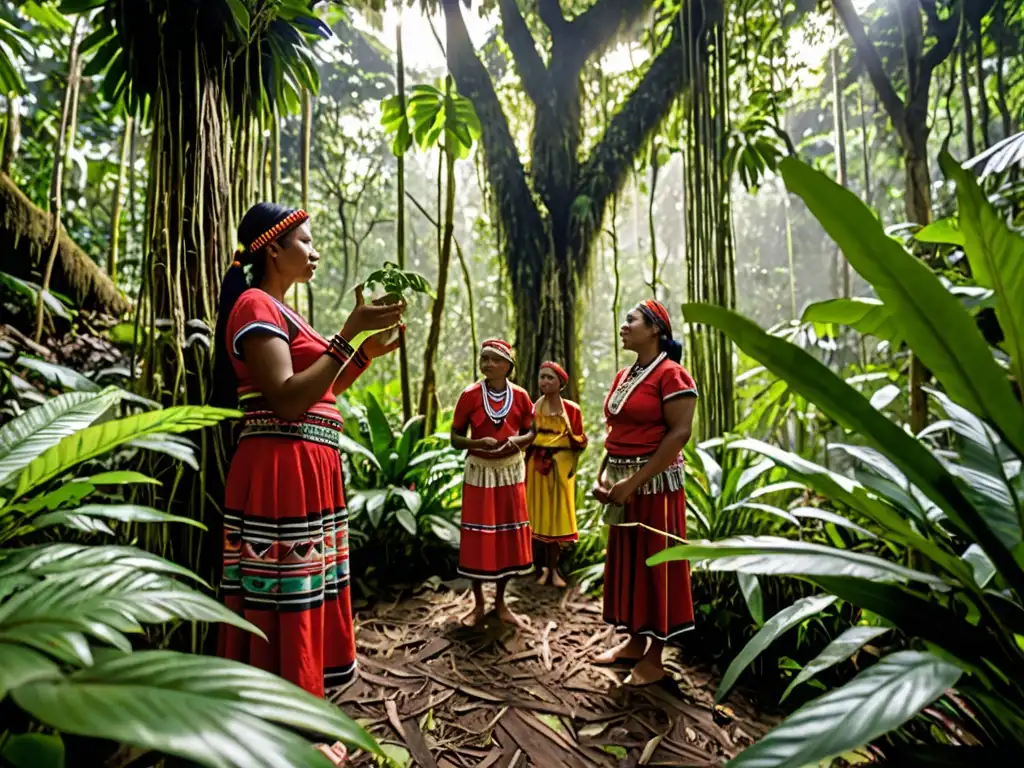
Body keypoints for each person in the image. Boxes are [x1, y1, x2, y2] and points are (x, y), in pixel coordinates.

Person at [214, 202, 405, 708]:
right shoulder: (255, 306)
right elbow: (287, 398)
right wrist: (346, 335)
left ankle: (307, 701)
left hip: (308, 469)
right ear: (273, 248)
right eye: (304, 241)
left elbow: (323, 387)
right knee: (286, 594)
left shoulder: (284, 311)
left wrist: (362, 351)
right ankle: (288, 720)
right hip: (281, 469)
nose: (314, 251)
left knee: (304, 591)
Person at [593, 299, 698, 687]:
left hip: (655, 487)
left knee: (656, 564)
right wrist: (604, 478)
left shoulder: (673, 375)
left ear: (655, 329)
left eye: (631, 321)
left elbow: (679, 434)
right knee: (630, 563)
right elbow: (616, 431)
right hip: (623, 485)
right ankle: (635, 644)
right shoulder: (625, 375)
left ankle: (655, 659)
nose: (624, 326)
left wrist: (632, 483)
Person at [450, 339, 536, 628]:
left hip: (510, 472)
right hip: (480, 472)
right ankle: (478, 604)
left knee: (506, 536)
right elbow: (454, 438)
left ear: (508, 366)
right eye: (483, 359)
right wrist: (477, 442)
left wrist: (517, 441)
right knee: (479, 536)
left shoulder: (521, 396)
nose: (486, 364)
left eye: (493, 359)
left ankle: (501, 603)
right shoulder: (470, 395)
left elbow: (531, 431)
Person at [525, 361, 587, 588]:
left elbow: (581, 441)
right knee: (538, 517)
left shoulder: (572, 410)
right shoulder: (532, 408)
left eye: (550, 378)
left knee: (558, 519)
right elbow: (527, 438)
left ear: (560, 382)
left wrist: (568, 442)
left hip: (561, 468)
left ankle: (555, 569)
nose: (545, 382)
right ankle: (541, 568)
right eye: (542, 377)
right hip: (537, 469)